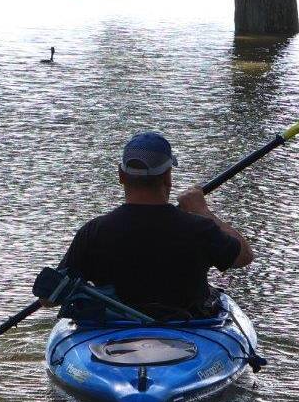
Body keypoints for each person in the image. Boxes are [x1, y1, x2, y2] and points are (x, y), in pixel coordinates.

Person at [58, 131, 254, 319]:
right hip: (188, 331)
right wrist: (203, 211)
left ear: (121, 175)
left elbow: (49, 298)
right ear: (168, 177)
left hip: (113, 335)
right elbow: (244, 257)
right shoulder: (200, 228)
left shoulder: (94, 231)